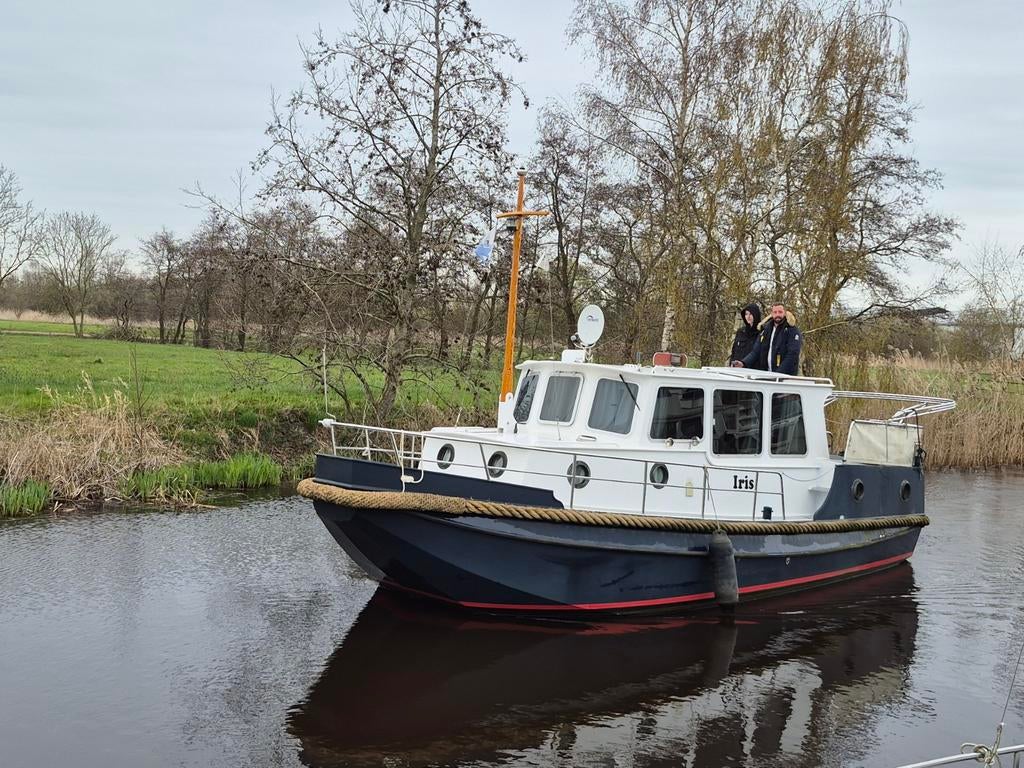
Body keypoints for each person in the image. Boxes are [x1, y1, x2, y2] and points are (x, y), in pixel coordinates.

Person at [732, 302, 802, 375]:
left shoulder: (792, 331)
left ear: (785, 313)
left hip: (785, 378)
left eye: (780, 312)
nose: (777, 315)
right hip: (766, 375)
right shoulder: (766, 330)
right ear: (771, 314)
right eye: (775, 312)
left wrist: (778, 374)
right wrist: (743, 363)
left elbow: (792, 355)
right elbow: (756, 351)